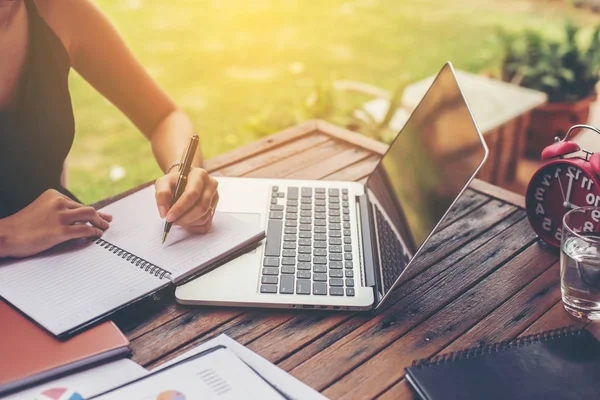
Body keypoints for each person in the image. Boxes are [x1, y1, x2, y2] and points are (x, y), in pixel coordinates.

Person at [0, 0, 218, 258]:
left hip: (63, 258)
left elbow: (165, 117)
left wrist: (183, 171)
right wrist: (8, 235)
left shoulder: (58, 10)